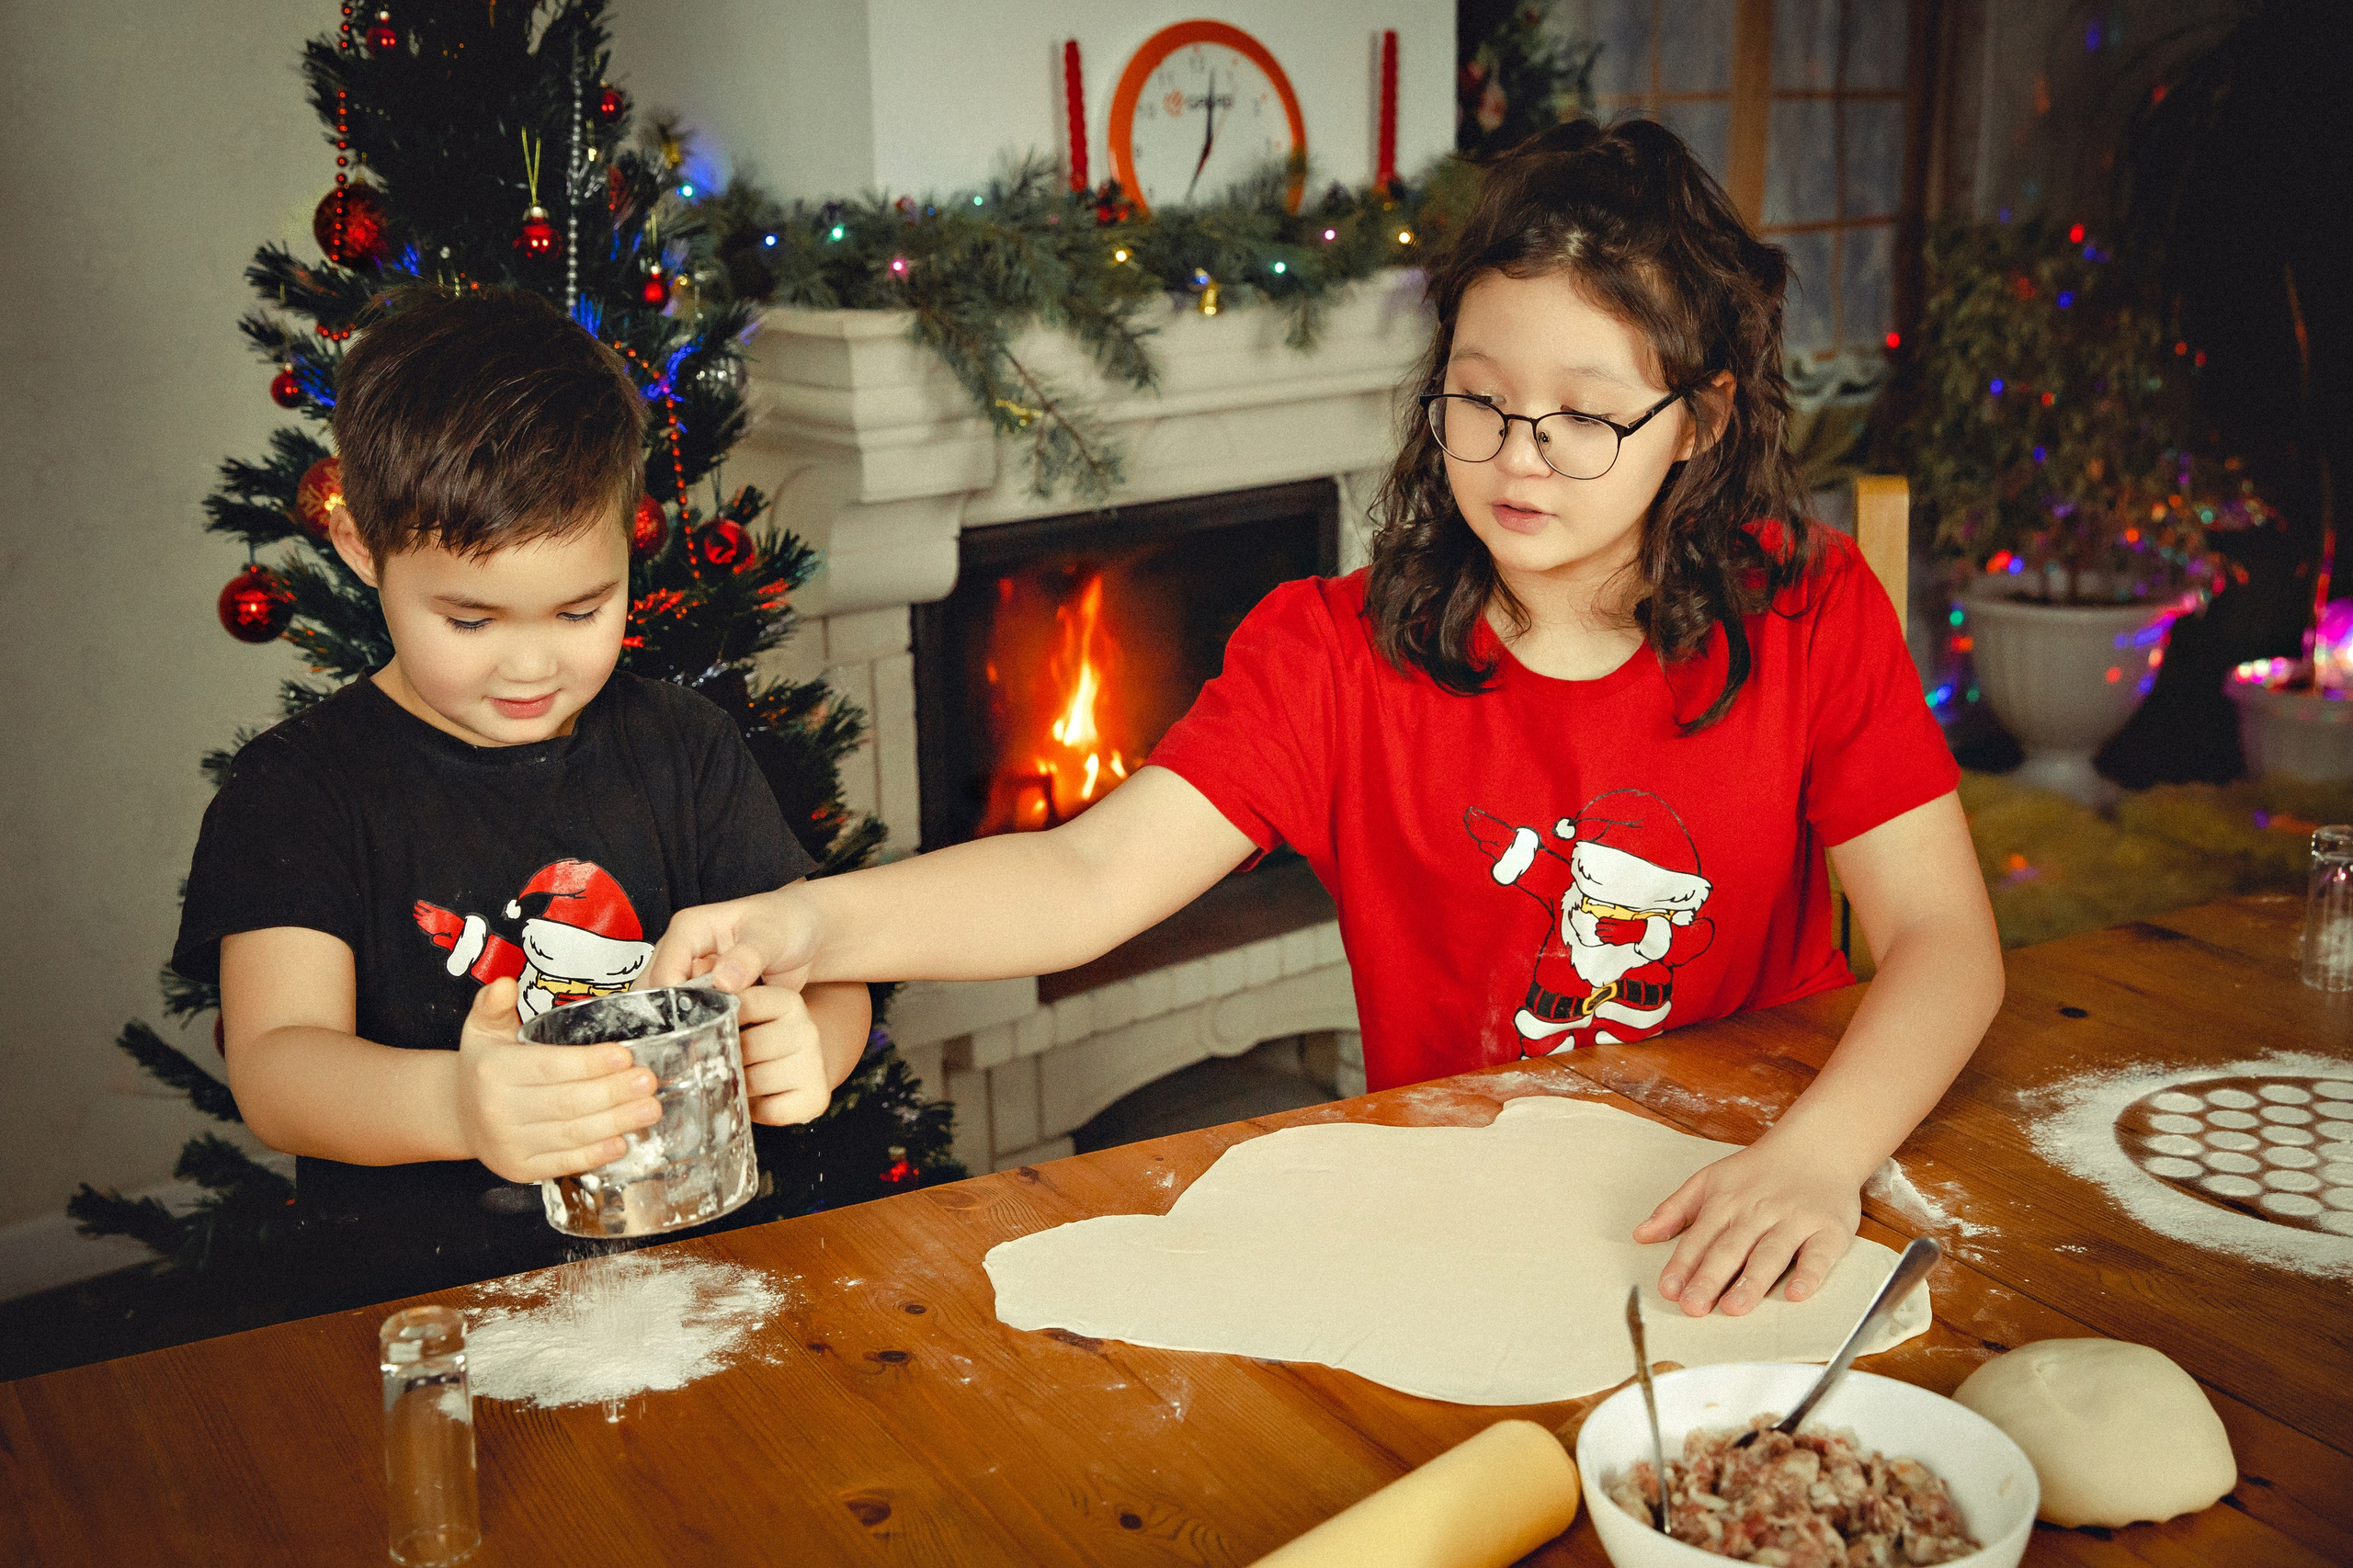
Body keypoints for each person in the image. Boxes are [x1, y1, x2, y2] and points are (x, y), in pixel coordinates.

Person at [644, 119, 2003, 1318]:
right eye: (1481, 398)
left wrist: (1818, 1156)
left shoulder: (1805, 611)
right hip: (1483, 1207)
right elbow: (1086, 873)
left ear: (1699, 420)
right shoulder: (1331, 652)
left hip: (1763, 1177)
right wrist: (811, 920)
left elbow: (1943, 940)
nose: (1521, 453)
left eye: (1586, 415)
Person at [174, 289, 870, 1307]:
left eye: (583, 607)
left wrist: (814, 1047)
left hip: (710, 1290)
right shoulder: (300, 790)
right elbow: (279, 1069)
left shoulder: (684, 745)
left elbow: (827, 970)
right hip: (430, 1306)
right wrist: (462, 1104)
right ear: (362, 547)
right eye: (469, 619)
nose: (532, 664)